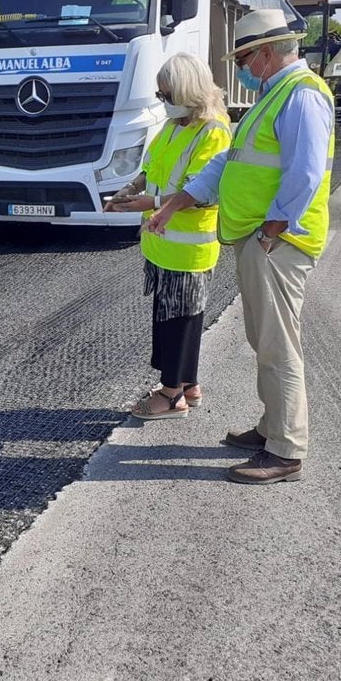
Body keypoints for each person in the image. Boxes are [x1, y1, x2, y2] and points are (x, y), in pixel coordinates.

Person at [145, 9, 333, 485]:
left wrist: (274, 228)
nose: (243, 68)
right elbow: (229, 165)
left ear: (268, 52)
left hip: (280, 242)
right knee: (263, 340)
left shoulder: (303, 96)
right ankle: (272, 428)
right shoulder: (274, 98)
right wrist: (178, 201)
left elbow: (305, 173)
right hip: (262, 238)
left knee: (277, 345)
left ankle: (286, 450)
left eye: (246, 57)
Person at [104, 53, 231, 419]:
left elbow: (201, 190)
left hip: (188, 246)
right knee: (170, 316)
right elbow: (151, 167)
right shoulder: (174, 126)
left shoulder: (213, 132)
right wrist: (128, 189)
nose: (163, 102)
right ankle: (188, 385)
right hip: (162, 242)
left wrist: (152, 202)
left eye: (167, 95)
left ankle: (170, 394)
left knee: (181, 320)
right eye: (160, 95)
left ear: (188, 91)